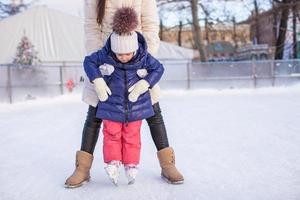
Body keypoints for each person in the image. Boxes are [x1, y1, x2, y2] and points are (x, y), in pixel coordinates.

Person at [64, 0, 184, 188]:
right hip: (106, 63)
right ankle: (82, 169)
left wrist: (142, 58)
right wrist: (102, 62)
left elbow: (150, 24)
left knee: (154, 114)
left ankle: (167, 164)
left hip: (137, 61)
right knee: (94, 116)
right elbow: (91, 27)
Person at [84, 7, 164, 185]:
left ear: (135, 49)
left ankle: (131, 165)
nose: (124, 57)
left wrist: (145, 83)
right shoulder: (106, 55)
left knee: (132, 137)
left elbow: (159, 68)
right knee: (111, 135)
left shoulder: (143, 57)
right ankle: (112, 163)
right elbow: (88, 61)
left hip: (136, 107)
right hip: (111, 106)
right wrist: (97, 80)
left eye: (128, 53)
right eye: (119, 54)